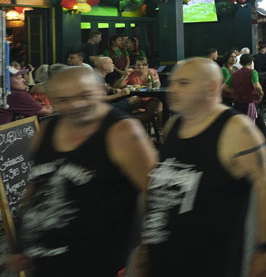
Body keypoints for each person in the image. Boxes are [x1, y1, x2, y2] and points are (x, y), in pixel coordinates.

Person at [10, 67, 156, 276]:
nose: (75, 105)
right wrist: (21, 245)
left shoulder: (122, 132)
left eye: (84, 95)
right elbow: (34, 189)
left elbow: (154, 195)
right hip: (48, 261)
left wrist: (144, 256)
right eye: (65, 100)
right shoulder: (46, 131)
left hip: (102, 263)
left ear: (101, 90)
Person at [138, 58, 266, 277]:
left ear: (212, 87)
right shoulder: (173, 126)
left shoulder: (237, 130)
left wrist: (263, 247)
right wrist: (145, 247)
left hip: (209, 264)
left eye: (184, 83)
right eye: (173, 82)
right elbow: (158, 187)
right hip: (161, 260)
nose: (173, 89)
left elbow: (265, 186)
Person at [224, 54, 266, 157]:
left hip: (237, 104)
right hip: (250, 104)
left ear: (240, 63)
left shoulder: (235, 74)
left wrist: (237, 92)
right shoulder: (252, 72)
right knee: (261, 127)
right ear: (251, 62)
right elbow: (257, 86)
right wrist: (261, 94)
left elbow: (225, 87)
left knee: (242, 129)